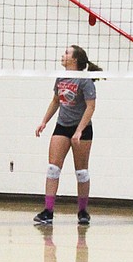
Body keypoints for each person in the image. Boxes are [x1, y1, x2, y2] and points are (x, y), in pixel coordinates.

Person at [34, 46, 101, 226]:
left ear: (75, 60)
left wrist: (79, 130)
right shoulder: (61, 77)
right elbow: (56, 101)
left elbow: (91, 107)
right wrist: (44, 121)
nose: (63, 55)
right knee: (53, 169)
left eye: (66, 53)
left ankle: (83, 212)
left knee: (81, 172)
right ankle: (48, 212)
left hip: (82, 129)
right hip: (62, 126)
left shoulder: (85, 81)